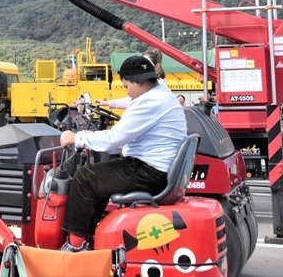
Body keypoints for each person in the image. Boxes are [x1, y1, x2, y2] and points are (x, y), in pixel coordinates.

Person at [59, 56, 187, 252]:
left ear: (139, 81)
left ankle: (75, 246)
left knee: (85, 177)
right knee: (99, 178)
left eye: (126, 85)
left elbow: (116, 138)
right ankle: (88, 237)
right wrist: (95, 137)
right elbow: (123, 139)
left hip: (148, 171)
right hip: (156, 169)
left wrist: (76, 138)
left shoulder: (149, 102)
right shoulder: (163, 96)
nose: (127, 90)